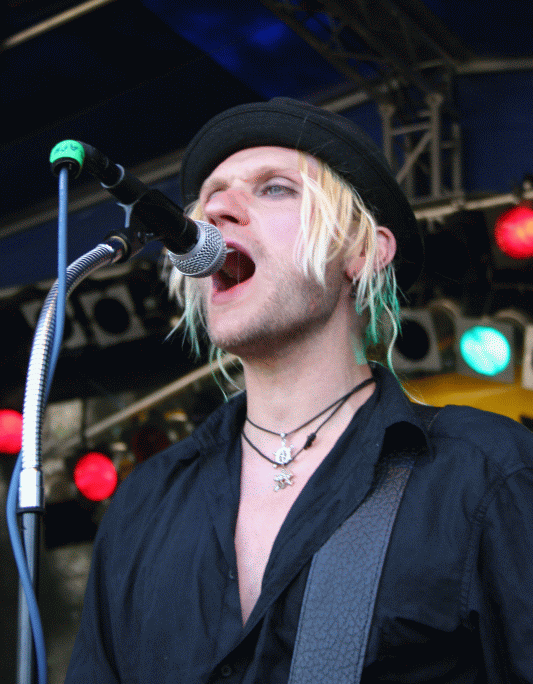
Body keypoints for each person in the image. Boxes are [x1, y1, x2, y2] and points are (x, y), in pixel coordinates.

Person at [66, 98, 533, 683]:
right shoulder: (143, 504)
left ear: (363, 251)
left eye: (274, 189)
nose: (217, 211)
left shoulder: (486, 473)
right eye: (210, 197)